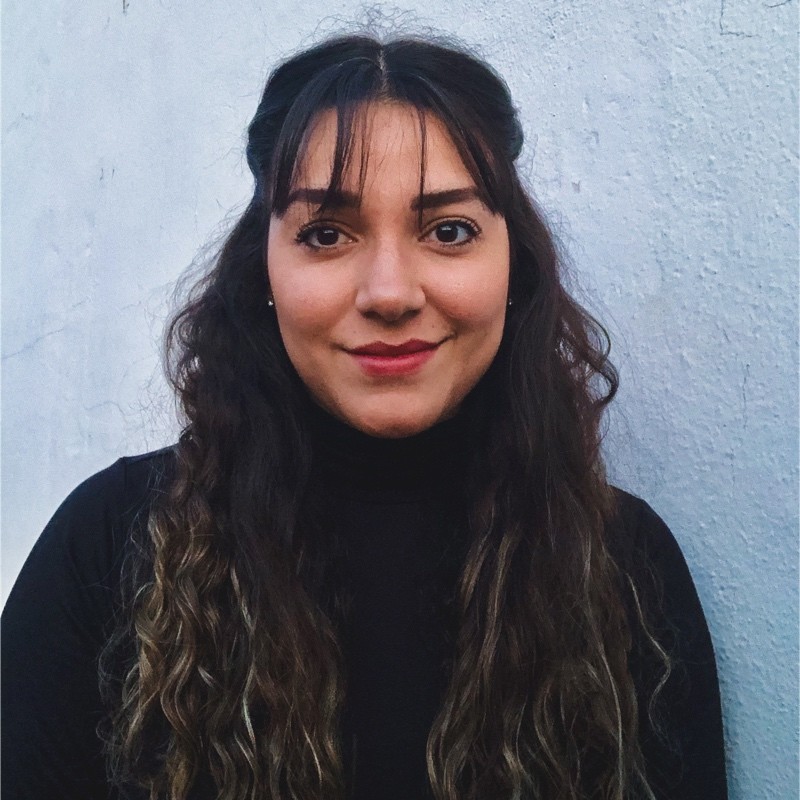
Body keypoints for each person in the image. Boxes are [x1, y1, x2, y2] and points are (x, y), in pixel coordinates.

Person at [1, 33, 728, 800]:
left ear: (515, 265)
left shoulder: (622, 567)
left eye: (448, 231)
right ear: (263, 271)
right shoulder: (112, 546)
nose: (389, 292)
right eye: (326, 234)